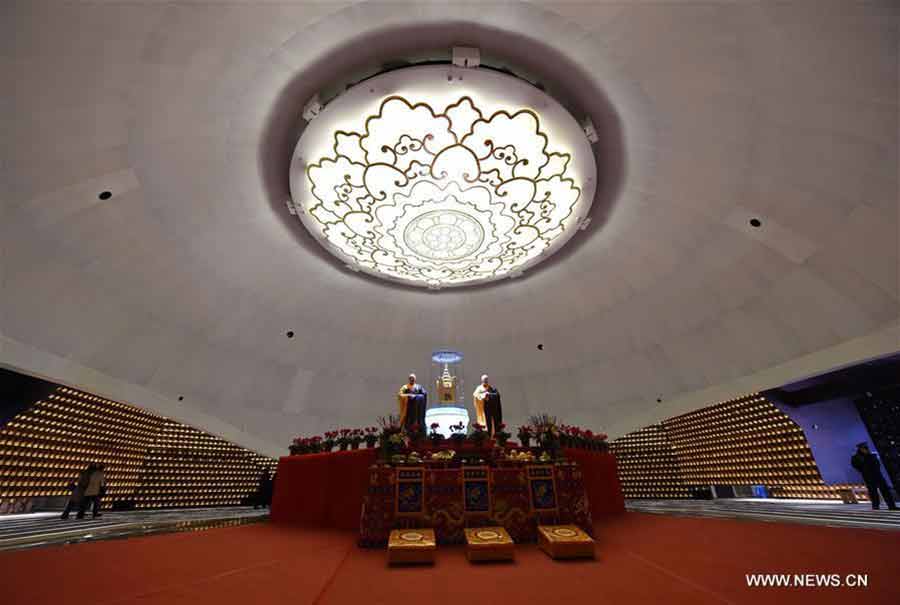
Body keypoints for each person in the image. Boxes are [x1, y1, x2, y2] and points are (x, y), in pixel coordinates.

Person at [851, 443, 897, 510]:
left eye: (866, 448)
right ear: (860, 449)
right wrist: (863, 470)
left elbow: (877, 463)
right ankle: (875, 506)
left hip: (878, 475)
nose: (866, 449)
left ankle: (891, 506)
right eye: (864, 448)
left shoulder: (872, 455)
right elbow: (855, 465)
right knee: (873, 491)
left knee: (885, 490)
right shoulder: (856, 457)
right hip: (868, 476)